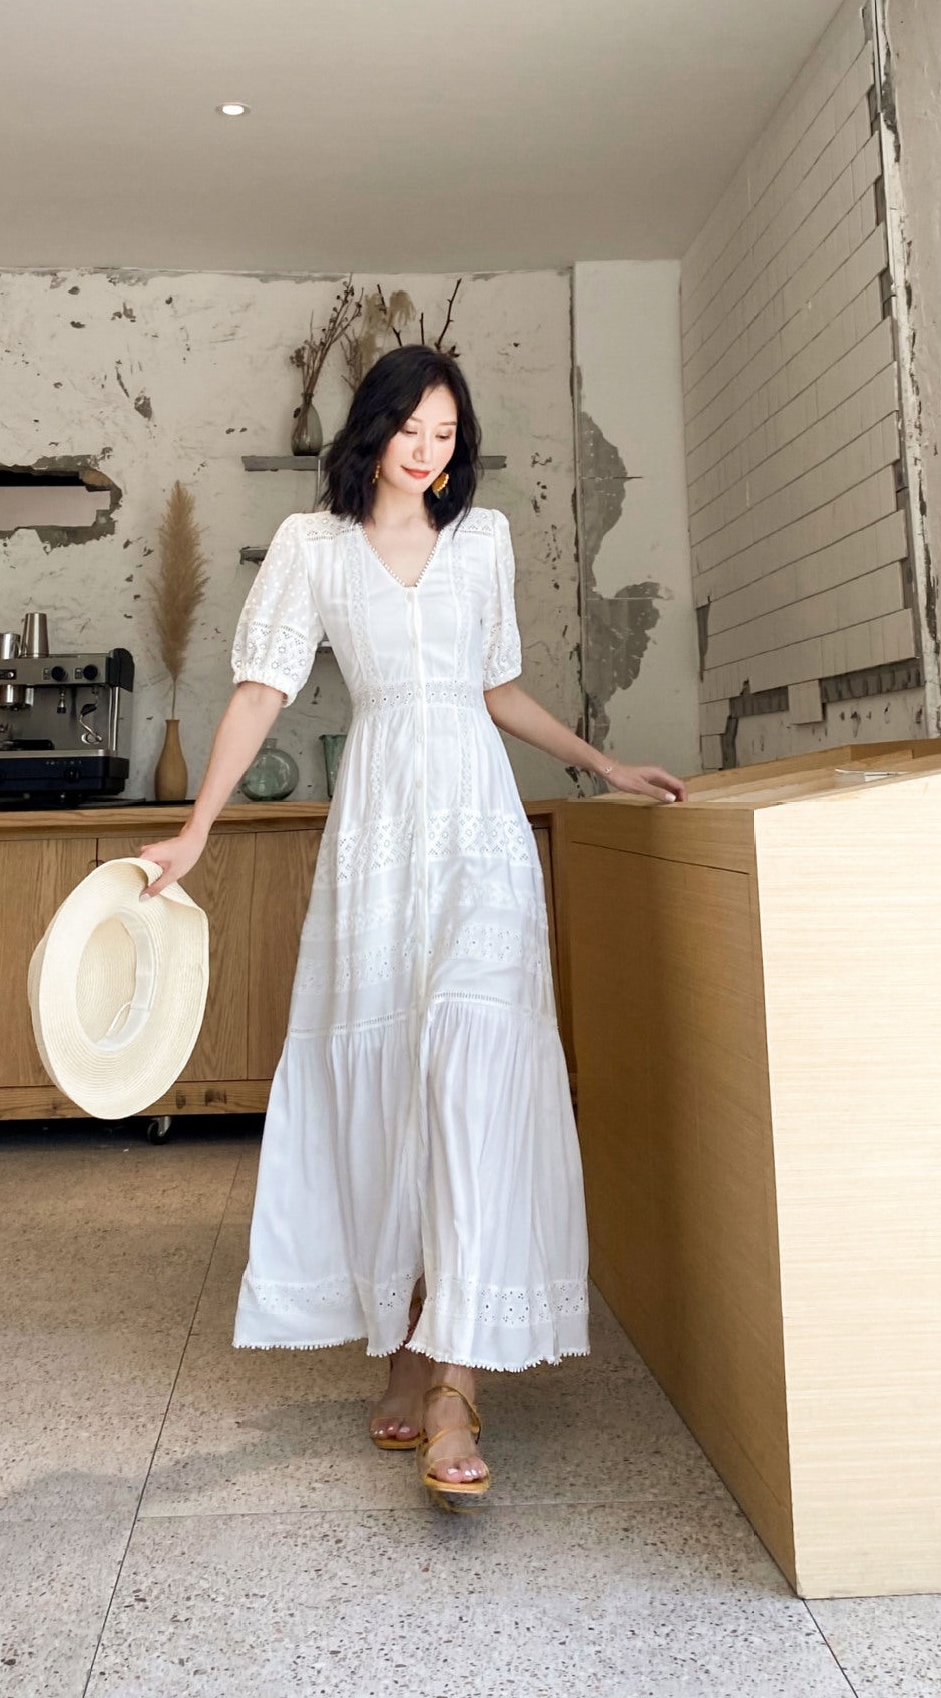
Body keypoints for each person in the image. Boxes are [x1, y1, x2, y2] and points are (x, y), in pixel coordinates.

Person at [141, 344, 687, 1507]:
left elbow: (496, 688)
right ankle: (403, 1333)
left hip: (480, 832)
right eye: (410, 428)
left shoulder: (483, 541)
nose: (427, 450)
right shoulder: (312, 547)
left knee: (473, 1070)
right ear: (374, 429)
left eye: (446, 434)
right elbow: (261, 691)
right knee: (395, 1080)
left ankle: (455, 1385)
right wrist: (195, 832)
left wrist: (601, 764)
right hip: (382, 833)